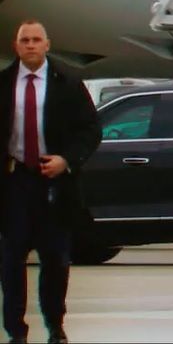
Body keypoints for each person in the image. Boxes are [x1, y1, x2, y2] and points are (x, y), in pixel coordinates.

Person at [1, 20, 98, 344]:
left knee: (55, 258)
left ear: (47, 44)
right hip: (15, 181)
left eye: (36, 39)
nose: (30, 45)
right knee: (11, 259)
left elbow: (90, 130)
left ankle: (55, 326)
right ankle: (16, 330)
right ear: (16, 46)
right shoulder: (4, 83)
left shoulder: (67, 83)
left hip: (54, 182)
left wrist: (66, 160)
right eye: (24, 40)